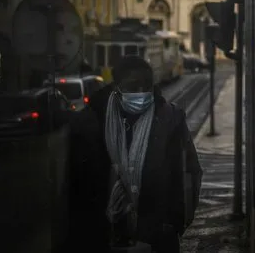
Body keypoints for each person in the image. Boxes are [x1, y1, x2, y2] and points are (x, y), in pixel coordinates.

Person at [68, 56, 202, 253]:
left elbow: (188, 172)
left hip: (157, 236)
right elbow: (77, 182)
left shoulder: (170, 119)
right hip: (102, 236)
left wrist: (174, 223)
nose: (141, 93)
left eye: (146, 86)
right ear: (116, 87)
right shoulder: (91, 121)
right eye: (133, 86)